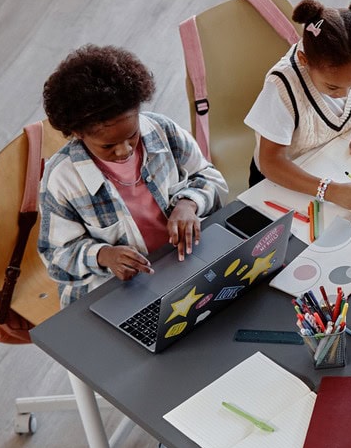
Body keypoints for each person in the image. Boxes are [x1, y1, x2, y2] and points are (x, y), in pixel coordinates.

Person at [38, 44, 228, 308]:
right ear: (78, 133)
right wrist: (103, 255)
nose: (125, 150)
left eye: (132, 136)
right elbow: (56, 255)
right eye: (108, 146)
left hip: (187, 263)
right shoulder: (61, 181)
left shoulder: (163, 131)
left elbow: (210, 177)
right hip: (120, 292)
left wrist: (189, 202)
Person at [244, 0, 351, 211]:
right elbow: (271, 162)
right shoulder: (282, 87)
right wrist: (331, 191)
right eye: (333, 87)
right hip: (282, 182)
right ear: (304, 61)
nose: (346, 94)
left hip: (335, 161)